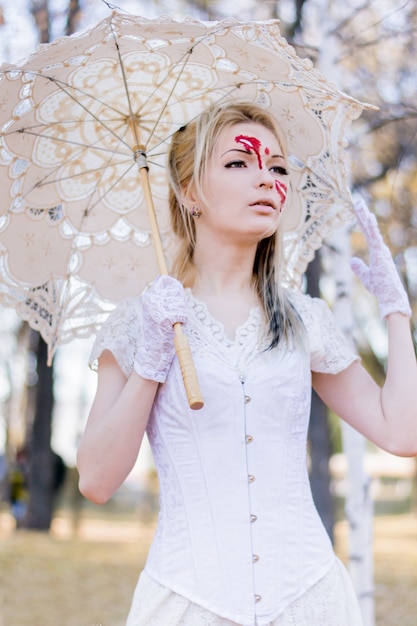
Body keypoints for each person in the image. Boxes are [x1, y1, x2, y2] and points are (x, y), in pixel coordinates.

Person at [77, 102, 417, 626]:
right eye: (240, 163)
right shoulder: (137, 321)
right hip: (187, 604)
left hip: (311, 601)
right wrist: (150, 358)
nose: (265, 177)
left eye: (277, 167)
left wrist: (397, 313)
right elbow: (97, 481)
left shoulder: (307, 320)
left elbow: (402, 433)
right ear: (190, 192)